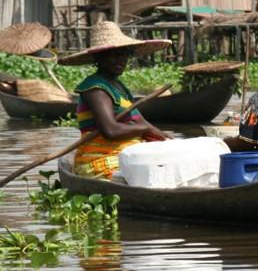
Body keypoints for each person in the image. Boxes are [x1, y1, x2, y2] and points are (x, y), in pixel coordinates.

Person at [58, 21, 172, 179]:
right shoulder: (95, 88)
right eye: (115, 54)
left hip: (128, 157)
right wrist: (144, 129)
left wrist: (167, 139)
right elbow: (110, 131)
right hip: (100, 161)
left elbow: (143, 123)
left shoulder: (120, 88)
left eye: (125, 53)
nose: (121, 59)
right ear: (99, 56)